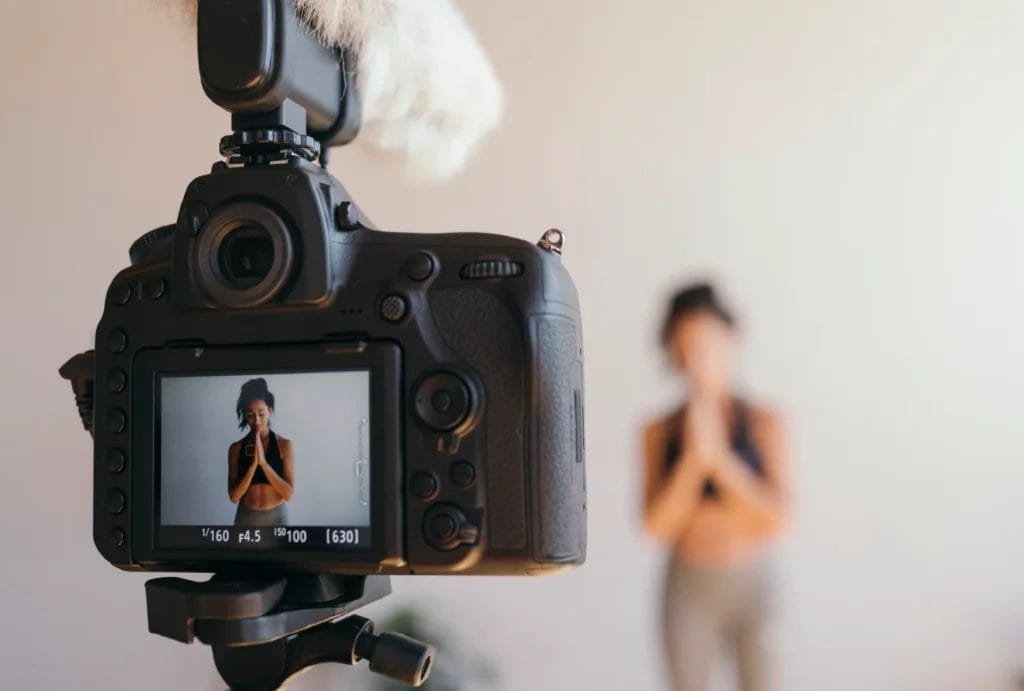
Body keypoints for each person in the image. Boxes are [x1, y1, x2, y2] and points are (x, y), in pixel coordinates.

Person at [641, 283, 790, 691]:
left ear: (731, 341)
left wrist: (720, 462)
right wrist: (692, 462)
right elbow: (656, 526)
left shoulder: (765, 422)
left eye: (707, 344)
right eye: (686, 348)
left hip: (754, 585)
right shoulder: (658, 432)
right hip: (688, 585)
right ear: (673, 354)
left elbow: (776, 520)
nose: (698, 361)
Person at [228, 378, 295, 527]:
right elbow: (234, 497)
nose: (256, 420)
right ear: (245, 414)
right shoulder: (236, 449)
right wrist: (252, 466)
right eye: (251, 415)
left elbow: (289, 494)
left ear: (270, 411)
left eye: (261, 413)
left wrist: (264, 464)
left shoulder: (284, 445)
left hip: (277, 518)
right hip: (246, 517)